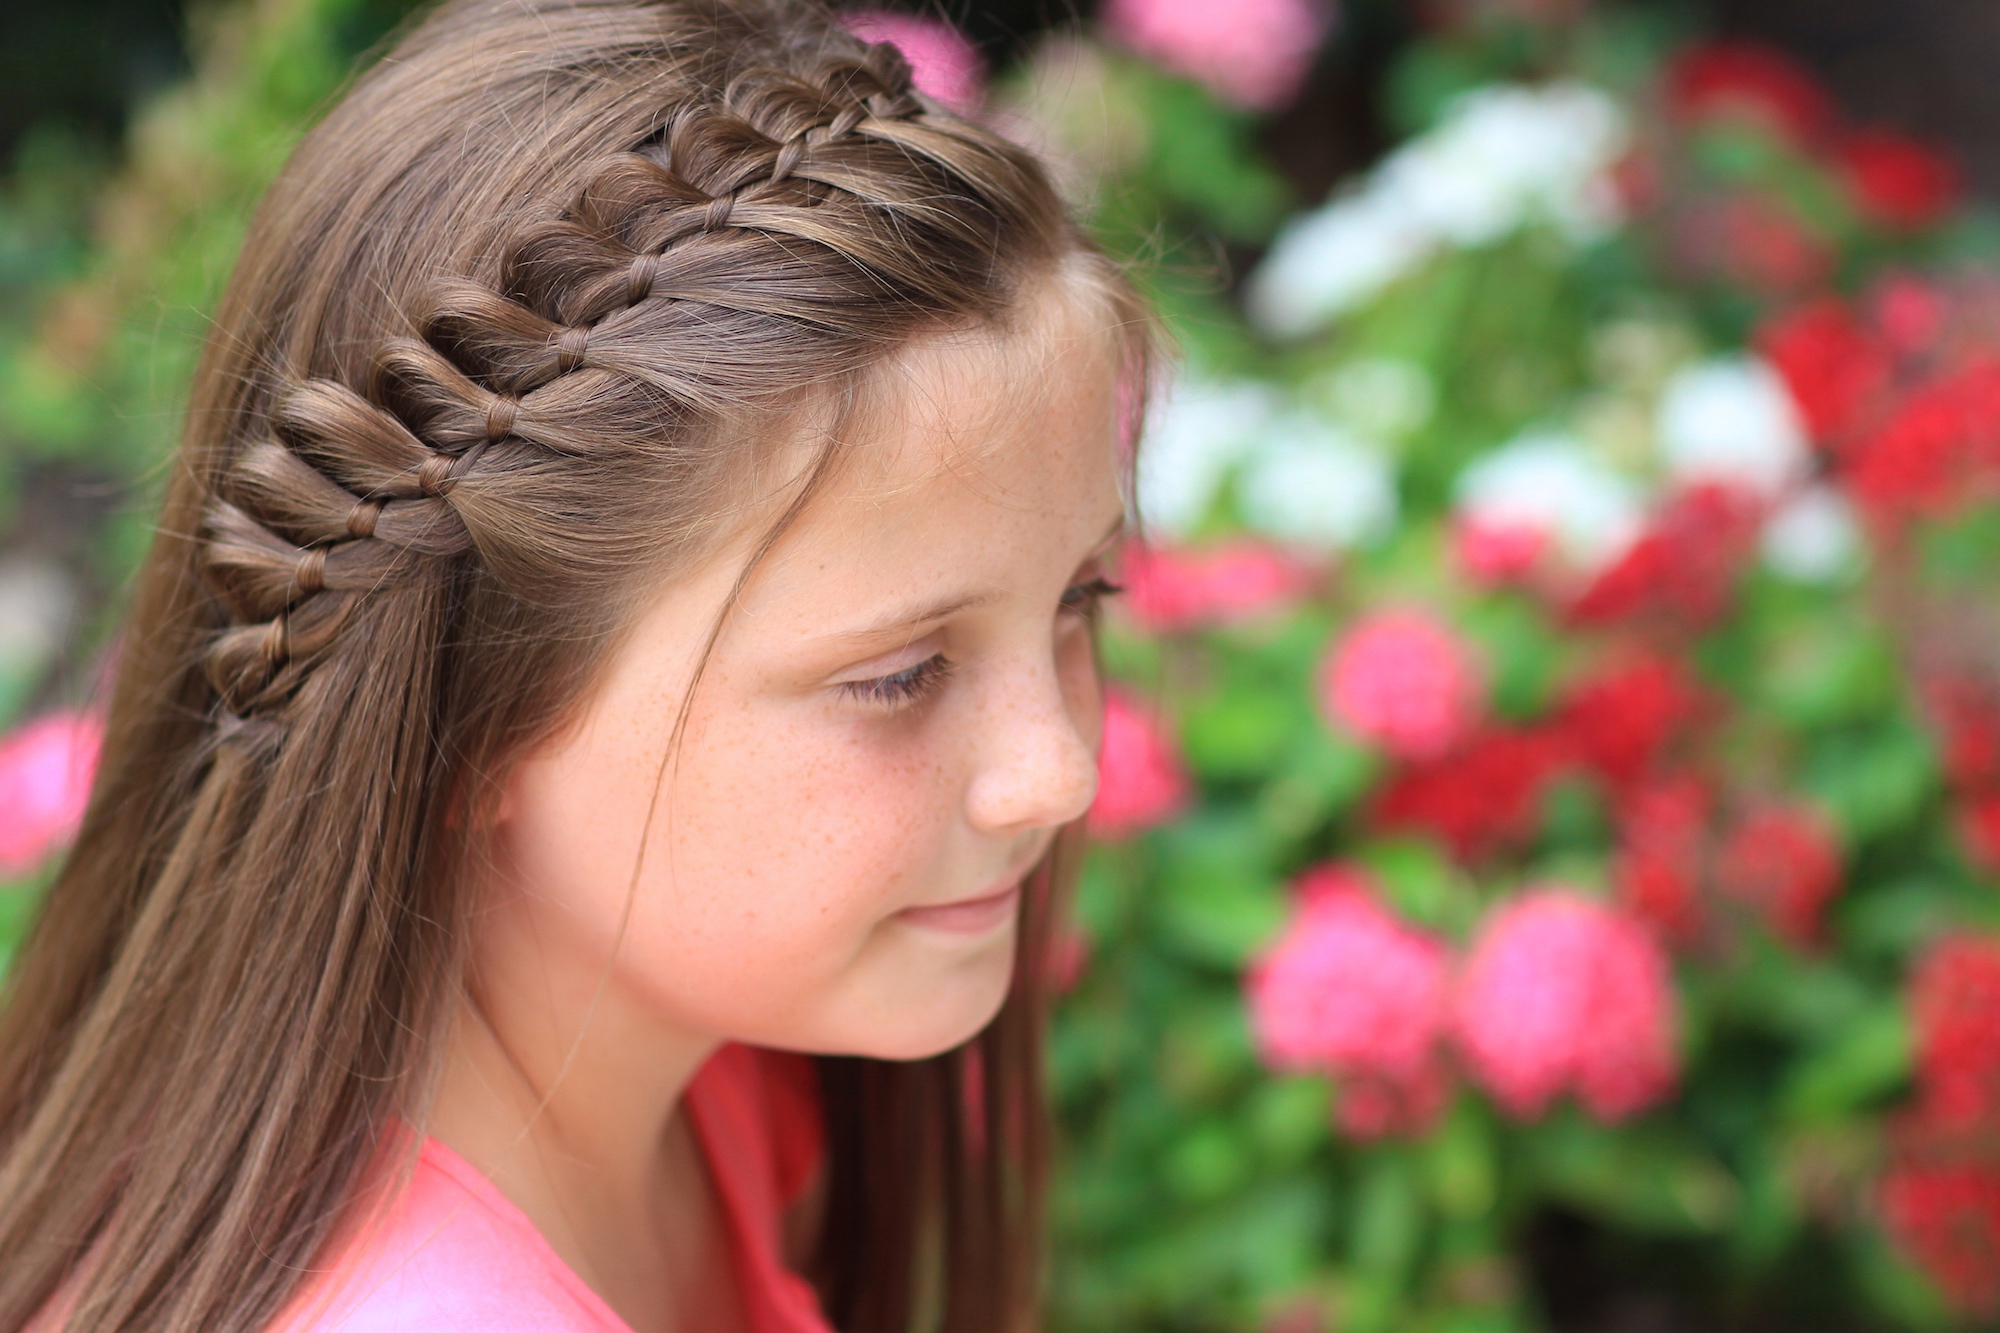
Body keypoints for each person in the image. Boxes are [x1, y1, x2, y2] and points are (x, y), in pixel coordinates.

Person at [0, 2, 1146, 1328]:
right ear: (468, 718)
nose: (1057, 772)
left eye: (1080, 595)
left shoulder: (701, 1077)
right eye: (897, 673)